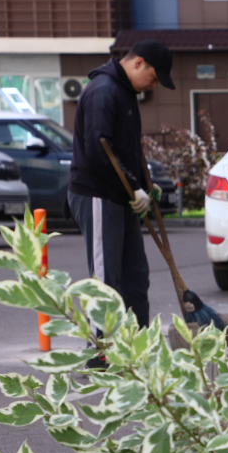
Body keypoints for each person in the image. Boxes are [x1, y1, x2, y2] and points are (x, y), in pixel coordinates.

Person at [68, 40, 175, 333]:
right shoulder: (103, 91)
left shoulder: (125, 92)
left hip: (122, 197)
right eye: (153, 78)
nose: (153, 85)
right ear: (138, 63)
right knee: (105, 279)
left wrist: (143, 186)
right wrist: (132, 185)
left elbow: (127, 149)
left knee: (135, 278)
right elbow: (99, 149)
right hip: (98, 195)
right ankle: (102, 352)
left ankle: (136, 347)